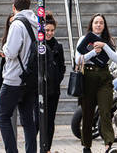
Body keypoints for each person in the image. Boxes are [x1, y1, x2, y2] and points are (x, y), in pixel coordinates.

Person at [0, 0, 39, 153]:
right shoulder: (36, 23)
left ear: (14, 7)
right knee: (27, 119)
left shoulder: (17, 24)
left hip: (14, 78)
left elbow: (12, 52)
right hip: (30, 77)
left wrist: (4, 50)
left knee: (3, 116)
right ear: (29, 6)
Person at [76, 14, 117, 153]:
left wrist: (104, 46)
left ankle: (108, 145)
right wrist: (93, 53)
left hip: (104, 77)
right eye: (96, 22)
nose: (99, 25)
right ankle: (86, 146)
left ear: (104, 26)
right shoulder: (84, 39)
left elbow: (116, 58)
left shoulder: (108, 40)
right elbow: (78, 60)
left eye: (101, 23)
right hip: (87, 76)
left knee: (105, 111)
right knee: (87, 113)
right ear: (91, 24)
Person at [44, 13, 65, 153]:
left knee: (50, 121)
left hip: (53, 90)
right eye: (47, 30)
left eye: (52, 30)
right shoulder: (38, 45)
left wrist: (56, 78)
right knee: (37, 122)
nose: (50, 33)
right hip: (40, 89)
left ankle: (47, 148)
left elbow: (62, 67)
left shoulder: (58, 46)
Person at [0, 13, 19, 141]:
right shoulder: (6, 40)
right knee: (9, 117)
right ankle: (12, 142)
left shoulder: (21, 34)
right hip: (8, 79)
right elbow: (2, 66)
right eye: (10, 23)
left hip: (17, 80)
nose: (12, 25)